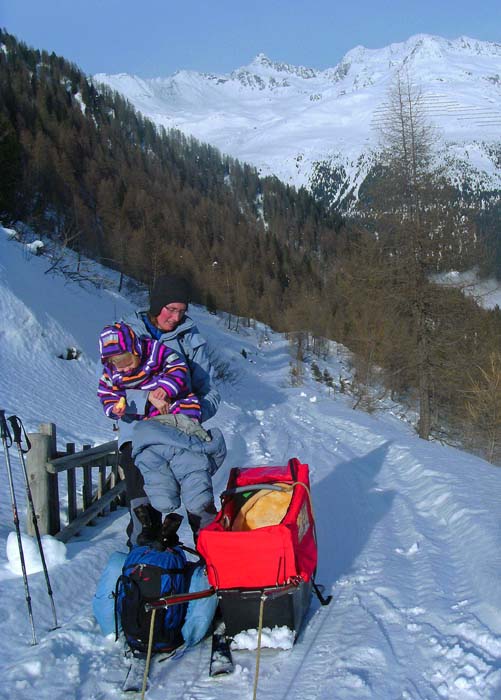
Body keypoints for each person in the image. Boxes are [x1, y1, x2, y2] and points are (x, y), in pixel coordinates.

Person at [116, 276, 221, 546]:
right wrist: (147, 400)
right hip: (139, 439)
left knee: (200, 505)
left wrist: (192, 413)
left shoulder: (190, 339)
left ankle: (215, 570)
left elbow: (210, 390)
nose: (175, 317)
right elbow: (110, 394)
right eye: (170, 309)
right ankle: (143, 577)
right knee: (144, 513)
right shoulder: (125, 336)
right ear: (156, 305)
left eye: (181, 311)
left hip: (183, 434)